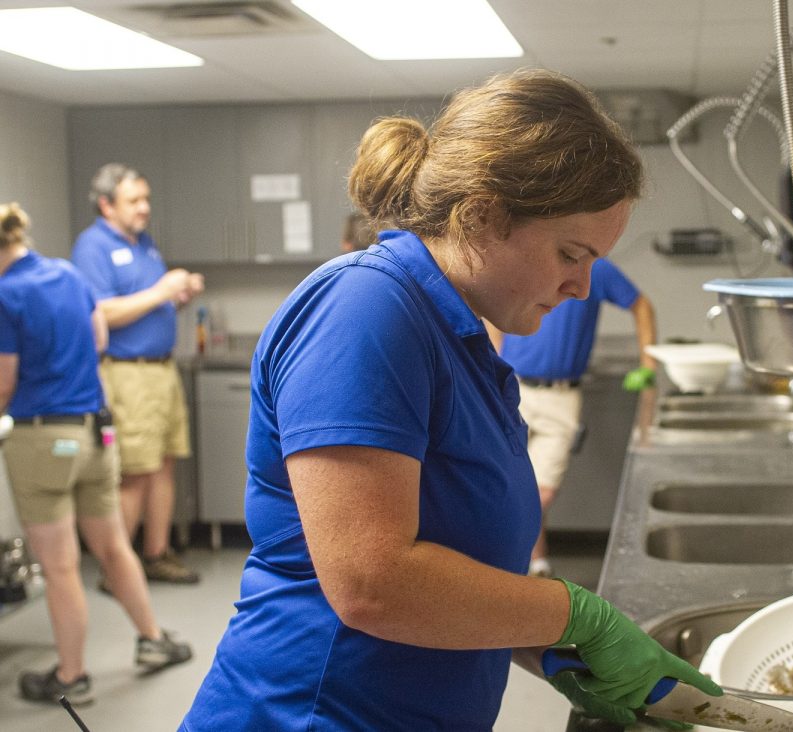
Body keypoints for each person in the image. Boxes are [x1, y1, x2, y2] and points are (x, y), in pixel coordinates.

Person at [181, 68, 721, 730]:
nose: (582, 287)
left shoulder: (459, 337)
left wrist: (560, 650)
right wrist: (573, 613)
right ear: (483, 216)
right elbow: (372, 584)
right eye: (570, 254)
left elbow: (455, 562)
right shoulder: (366, 309)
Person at [0, 202, 193, 706]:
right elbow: (100, 337)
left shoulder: (5, 294)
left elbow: (4, 383)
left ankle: (71, 676)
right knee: (113, 547)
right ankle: (153, 640)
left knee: (62, 566)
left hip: (43, 439)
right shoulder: (66, 273)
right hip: (96, 435)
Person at [71, 163, 204, 585]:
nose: (145, 207)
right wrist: (160, 291)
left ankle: (156, 554)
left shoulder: (143, 243)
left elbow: (148, 304)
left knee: (163, 465)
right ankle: (116, 569)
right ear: (106, 205)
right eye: (135, 201)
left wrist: (177, 296)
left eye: (146, 198)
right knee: (134, 472)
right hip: (128, 375)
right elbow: (101, 311)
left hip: (161, 370)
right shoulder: (92, 247)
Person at [491, 259, 656, 579]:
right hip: (513, 388)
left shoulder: (595, 270)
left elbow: (641, 305)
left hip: (562, 398)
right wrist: (495, 358)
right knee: (511, 481)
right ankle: (536, 564)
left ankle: (511, 564)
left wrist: (649, 365)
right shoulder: (525, 261)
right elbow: (491, 310)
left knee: (541, 492)